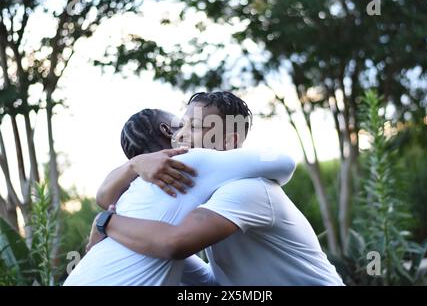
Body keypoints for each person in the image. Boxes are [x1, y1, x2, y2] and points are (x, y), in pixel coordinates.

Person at [88, 91, 344, 285]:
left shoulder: (248, 190)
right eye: (181, 126)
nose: (180, 135)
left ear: (229, 141)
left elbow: (175, 244)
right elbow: (217, 282)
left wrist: (107, 223)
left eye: (195, 127)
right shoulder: (206, 195)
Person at [64, 108, 295, 285]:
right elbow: (283, 162)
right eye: (184, 123)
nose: (188, 129)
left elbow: (205, 280)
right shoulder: (189, 161)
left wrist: (104, 221)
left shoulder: (131, 195)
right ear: (167, 130)